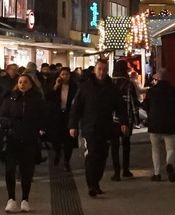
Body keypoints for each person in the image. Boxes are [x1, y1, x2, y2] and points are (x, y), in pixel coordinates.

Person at [67, 58, 130, 197]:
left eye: (104, 70)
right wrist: (73, 125)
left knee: (102, 156)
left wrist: (123, 122)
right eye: (99, 69)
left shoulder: (113, 88)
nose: (101, 72)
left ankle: (96, 182)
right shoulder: (85, 87)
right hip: (90, 127)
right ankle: (92, 184)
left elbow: (120, 107)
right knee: (92, 155)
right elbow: (76, 108)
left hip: (106, 127)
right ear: (94, 70)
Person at [0, 72, 54, 212]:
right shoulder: (10, 98)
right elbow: (2, 116)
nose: (22, 84)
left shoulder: (37, 99)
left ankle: (25, 199)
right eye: (20, 82)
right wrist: (11, 123)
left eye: (25, 82)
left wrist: (39, 128)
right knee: (10, 169)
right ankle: (11, 199)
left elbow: (44, 117)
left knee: (26, 170)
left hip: (29, 139)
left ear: (31, 84)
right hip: (12, 138)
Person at [143, 73, 175, 182]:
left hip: (154, 123)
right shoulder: (174, 91)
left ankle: (157, 173)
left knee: (155, 149)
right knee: (170, 148)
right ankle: (169, 164)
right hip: (170, 123)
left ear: (157, 79)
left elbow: (145, 105)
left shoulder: (151, 91)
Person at [111, 62, 141, 180]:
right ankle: (126, 169)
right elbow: (133, 104)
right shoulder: (128, 84)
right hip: (127, 119)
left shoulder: (110, 83)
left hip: (112, 120)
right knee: (126, 144)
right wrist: (136, 119)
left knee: (114, 146)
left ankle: (116, 172)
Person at [51, 69, 78, 169]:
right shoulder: (56, 86)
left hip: (69, 116)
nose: (65, 76)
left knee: (69, 140)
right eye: (63, 74)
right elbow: (48, 98)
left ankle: (66, 160)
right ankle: (57, 153)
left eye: (67, 74)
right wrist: (56, 86)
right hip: (57, 116)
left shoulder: (74, 87)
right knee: (56, 138)